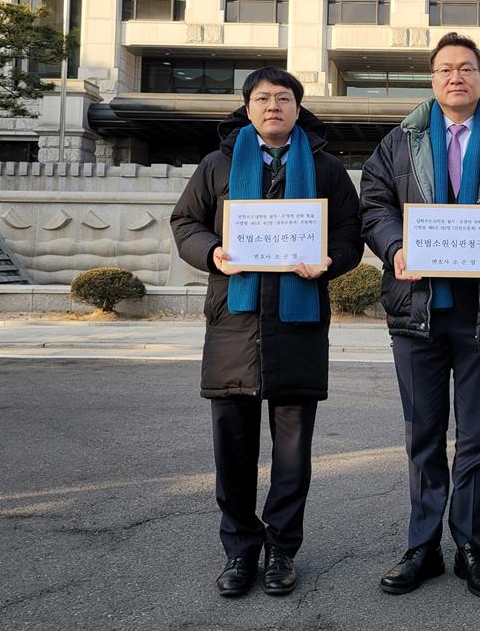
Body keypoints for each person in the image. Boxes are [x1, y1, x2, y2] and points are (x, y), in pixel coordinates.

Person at [359, 32, 480, 600]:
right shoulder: (398, 142)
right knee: (423, 436)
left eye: (466, 68)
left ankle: (471, 546)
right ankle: (422, 547)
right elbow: (374, 205)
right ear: (432, 79)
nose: (456, 77)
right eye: (445, 68)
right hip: (418, 308)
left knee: (476, 438)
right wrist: (396, 246)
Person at [171, 67, 362, 598]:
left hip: (298, 325)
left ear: (298, 108)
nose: (273, 105)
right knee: (232, 451)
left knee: (292, 456)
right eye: (262, 98)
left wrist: (330, 260)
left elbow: (351, 231)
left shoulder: (325, 167)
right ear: (248, 107)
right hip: (234, 324)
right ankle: (239, 550)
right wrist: (213, 252)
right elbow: (185, 224)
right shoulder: (217, 164)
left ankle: (281, 548)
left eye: (283, 98)